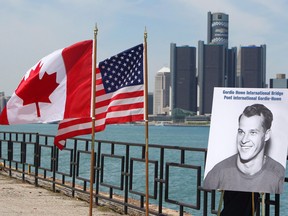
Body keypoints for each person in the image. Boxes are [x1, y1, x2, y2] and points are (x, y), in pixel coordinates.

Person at [203, 103, 285, 194]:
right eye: (241, 132)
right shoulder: (218, 172)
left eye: (253, 132)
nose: (244, 140)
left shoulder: (278, 174)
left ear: (266, 135)